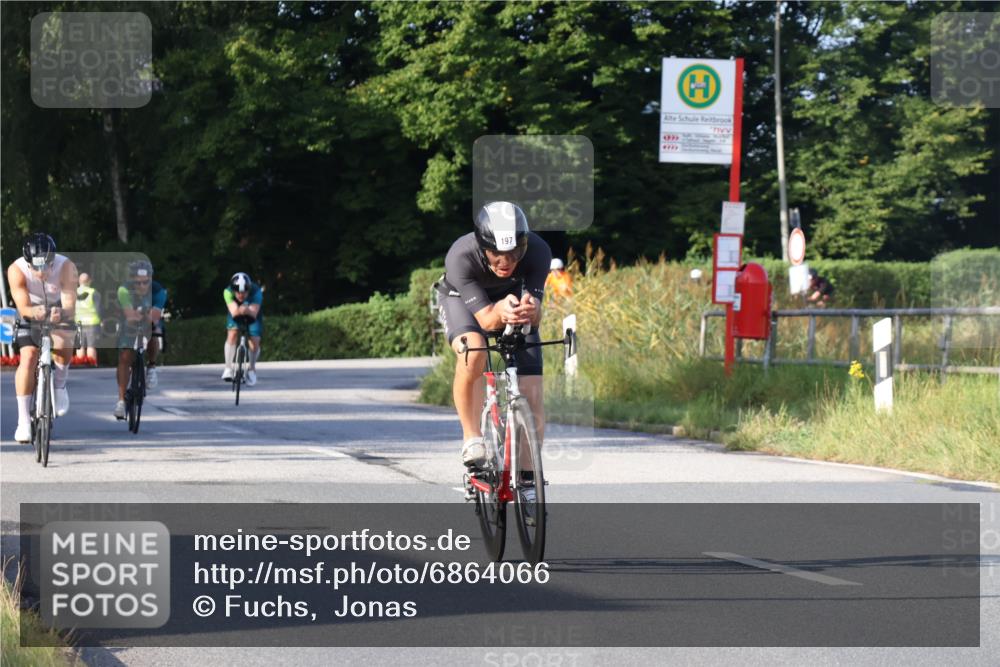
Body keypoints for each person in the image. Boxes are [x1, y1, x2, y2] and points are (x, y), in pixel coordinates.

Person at [436, 201, 552, 467]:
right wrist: (501, 311)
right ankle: (472, 438)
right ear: (482, 247)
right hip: (460, 300)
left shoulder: (538, 251)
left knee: (532, 391)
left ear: (524, 243)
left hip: (508, 302)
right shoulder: (461, 256)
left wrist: (533, 310)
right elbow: (488, 320)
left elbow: (537, 315)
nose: (506, 262)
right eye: (496, 254)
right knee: (473, 351)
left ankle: (526, 480)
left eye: (514, 253)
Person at [7, 233, 78, 443]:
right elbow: (22, 305)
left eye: (46, 265)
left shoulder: (66, 267)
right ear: (28, 262)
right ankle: (23, 421)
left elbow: (70, 305)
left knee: (65, 340)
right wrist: (33, 312)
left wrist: (61, 314)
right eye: (36, 267)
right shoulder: (16, 269)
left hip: (59, 309)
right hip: (30, 310)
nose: (42, 271)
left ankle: (60, 384)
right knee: (28, 356)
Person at [113, 260, 166, 419]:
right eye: (138, 283)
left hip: (149, 322)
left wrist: (145, 316)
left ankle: (151, 366)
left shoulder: (159, 291)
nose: (142, 286)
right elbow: (130, 316)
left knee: (153, 331)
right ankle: (121, 401)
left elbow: (154, 317)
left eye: (145, 282)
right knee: (125, 357)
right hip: (128, 321)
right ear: (131, 280)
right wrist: (139, 314)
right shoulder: (124, 289)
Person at [222, 272, 263, 386]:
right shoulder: (227, 292)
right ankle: (228, 368)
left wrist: (246, 309)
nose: (241, 295)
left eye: (244, 292)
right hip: (236, 310)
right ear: (233, 290)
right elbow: (235, 312)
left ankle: (251, 369)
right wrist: (241, 308)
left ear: (249, 290)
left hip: (252, 310)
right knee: (232, 333)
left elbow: (253, 314)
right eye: (238, 292)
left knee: (254, 340)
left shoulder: (256, 292)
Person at [75, 272, 101, 365]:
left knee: (80, 346)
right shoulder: (93, 292)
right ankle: (91, 364)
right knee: (91, 346)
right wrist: (101, 321)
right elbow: (98, 308)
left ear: (79, 281)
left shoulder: (74, 292)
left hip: (78, 322)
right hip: (92, 322)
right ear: (89, 281)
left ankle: (79, 365)